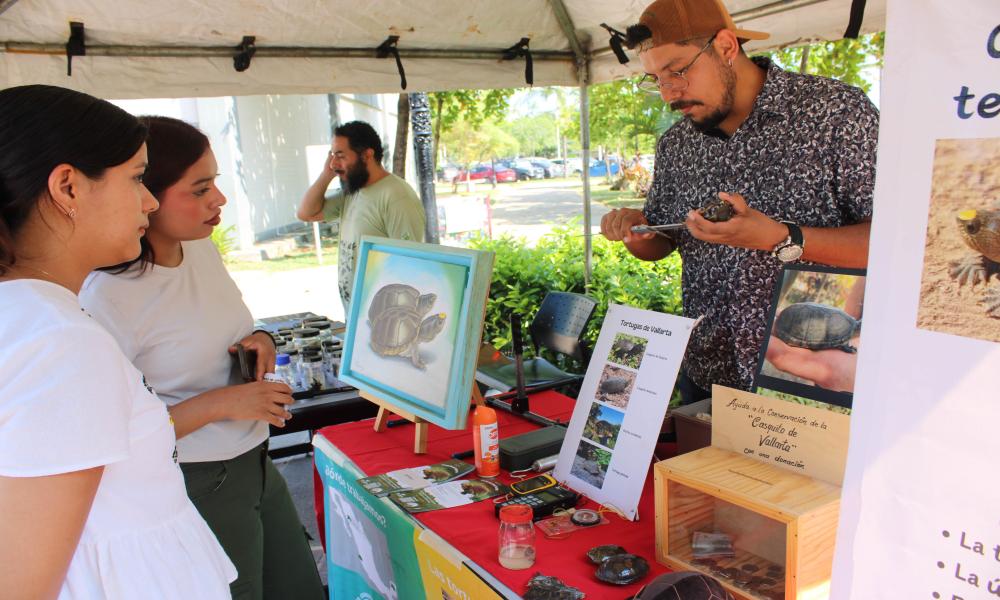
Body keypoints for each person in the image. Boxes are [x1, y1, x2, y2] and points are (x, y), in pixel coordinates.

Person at [0, 85, 236, 599]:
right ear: (68, 188)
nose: (149, 201)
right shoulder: (60, 343)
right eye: (135, 177)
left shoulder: (32, 319)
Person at [80, 117, 324, 600]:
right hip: (196, 483)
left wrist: (259, 339)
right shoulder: (106, 297)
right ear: (146, 196)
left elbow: (233, 325)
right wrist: (222, 404)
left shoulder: (200, 251)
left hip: (255, 463)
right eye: (200, 189)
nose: (219, 200)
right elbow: (115, 439)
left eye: (215, 183)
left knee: (299, 587)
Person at [600, 0, 878, 403]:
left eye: (678, 70)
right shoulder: (677, 144)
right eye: (655, 79)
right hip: (707, 372)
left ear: (727, 46)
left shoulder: (835, 114)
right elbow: (663, 240)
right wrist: (637, 233)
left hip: (807, 383)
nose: (668, 94)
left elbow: (898, 242)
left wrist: (780, 238)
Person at [297, 120, 426, 311]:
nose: (333, 164)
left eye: (340, 156)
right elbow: (307, 213)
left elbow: (410, 265)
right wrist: (326, 175)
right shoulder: (353, 192)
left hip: (381, 320)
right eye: (332, 156)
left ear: (367, 154)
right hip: (355, 315)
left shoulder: (397, 196)